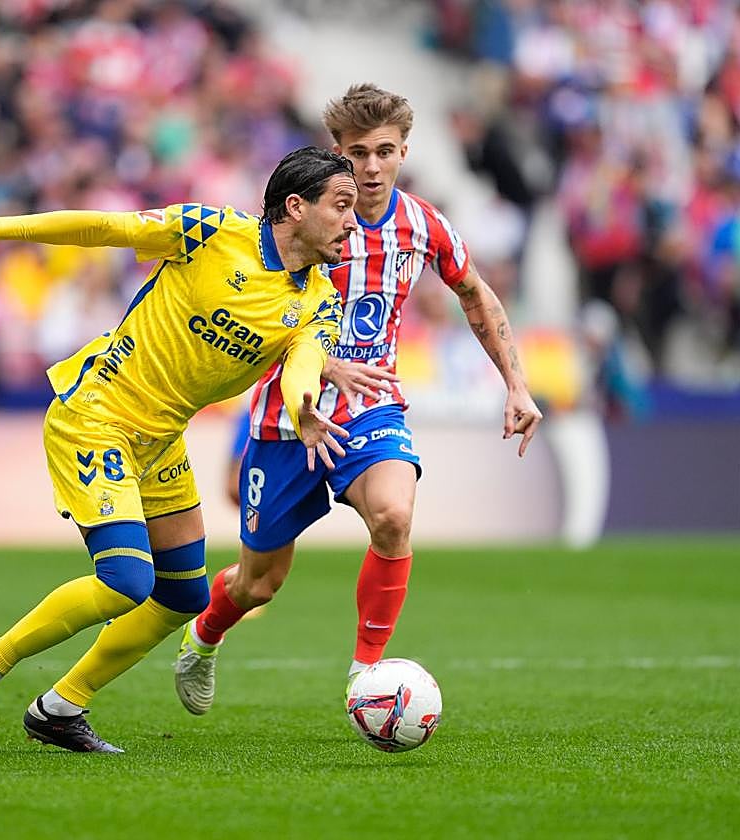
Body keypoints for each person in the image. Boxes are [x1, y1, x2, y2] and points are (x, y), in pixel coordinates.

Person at [0, 146, 356, 753]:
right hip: (97, 414)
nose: (352, 219)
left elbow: (304, 363)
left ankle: (60, 706)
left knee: (182, 594)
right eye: (341, 204)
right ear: (296, 206)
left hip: (159, 439)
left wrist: (302, 407)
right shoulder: (210, 232)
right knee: (127, 579)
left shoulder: (318, 298)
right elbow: (106, 227)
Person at [174, 83, 544, 715]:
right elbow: (248, 306)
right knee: (259, 583)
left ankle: (365, 678)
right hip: (289, 413)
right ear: (337, 154)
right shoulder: (298, 221)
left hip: (373, 406)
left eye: (384, 152)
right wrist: (315, 360)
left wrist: (516, 384)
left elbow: (475, 294)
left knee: (395, 518)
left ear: (403, 151)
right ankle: (204, 637)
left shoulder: (423, 224)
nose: (371, 168)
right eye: (357, 154)